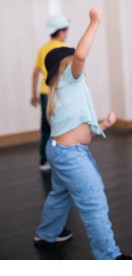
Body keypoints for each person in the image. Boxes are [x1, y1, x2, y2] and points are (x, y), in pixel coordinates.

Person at [33, 8, 132, 260]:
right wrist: (94, 22)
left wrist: (103, 125)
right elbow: (80, 54)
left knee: (61, 194)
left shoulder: (61, 91)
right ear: (65, 67)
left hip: (60, 151)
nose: (81, 64)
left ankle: (46, 234)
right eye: (75, 62)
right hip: (70, 155)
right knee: (94, 201)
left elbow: (74, 124)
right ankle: (109, 257)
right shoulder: (70, 79)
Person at [31, 15, 69, 171]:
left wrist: (33, 94)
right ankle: (60, 158)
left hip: (44, 92)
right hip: (57, 92)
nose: (66, 34)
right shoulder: (63, 49)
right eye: (66, 31)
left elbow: (35, 73)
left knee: (46, 127)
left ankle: (44, 160)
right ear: (61, 32)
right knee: (61, 125)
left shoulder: (42, 48)